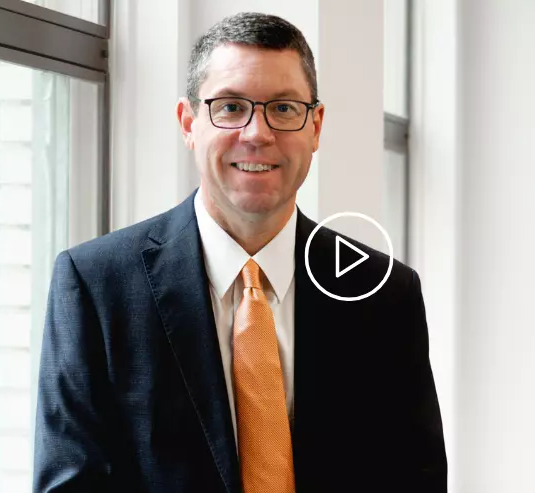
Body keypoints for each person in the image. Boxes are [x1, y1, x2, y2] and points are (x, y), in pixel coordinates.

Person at [33, 12, 446, 493]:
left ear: (315, 127)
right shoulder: (95, 285)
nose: (257, 133)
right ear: (188, 123)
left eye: (284, 108)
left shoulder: (383, 292)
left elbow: (415, 479)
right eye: (230, 107)